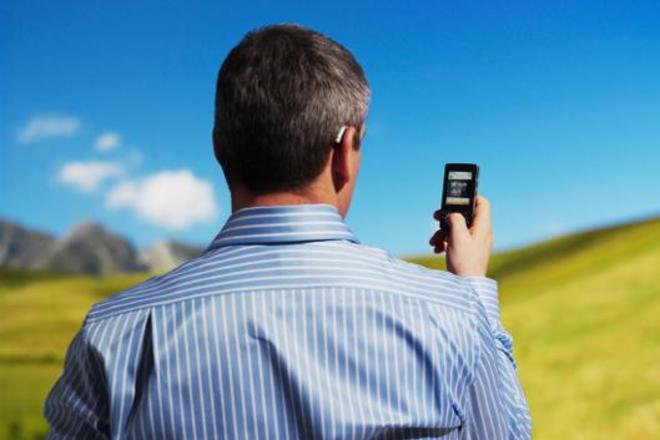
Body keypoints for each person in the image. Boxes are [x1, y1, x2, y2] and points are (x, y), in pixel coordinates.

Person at [44, 23, 531, 439]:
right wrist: (472, 290)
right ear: (344, 153)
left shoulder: (112, 334)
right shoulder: (451, 315)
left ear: (219, 148)